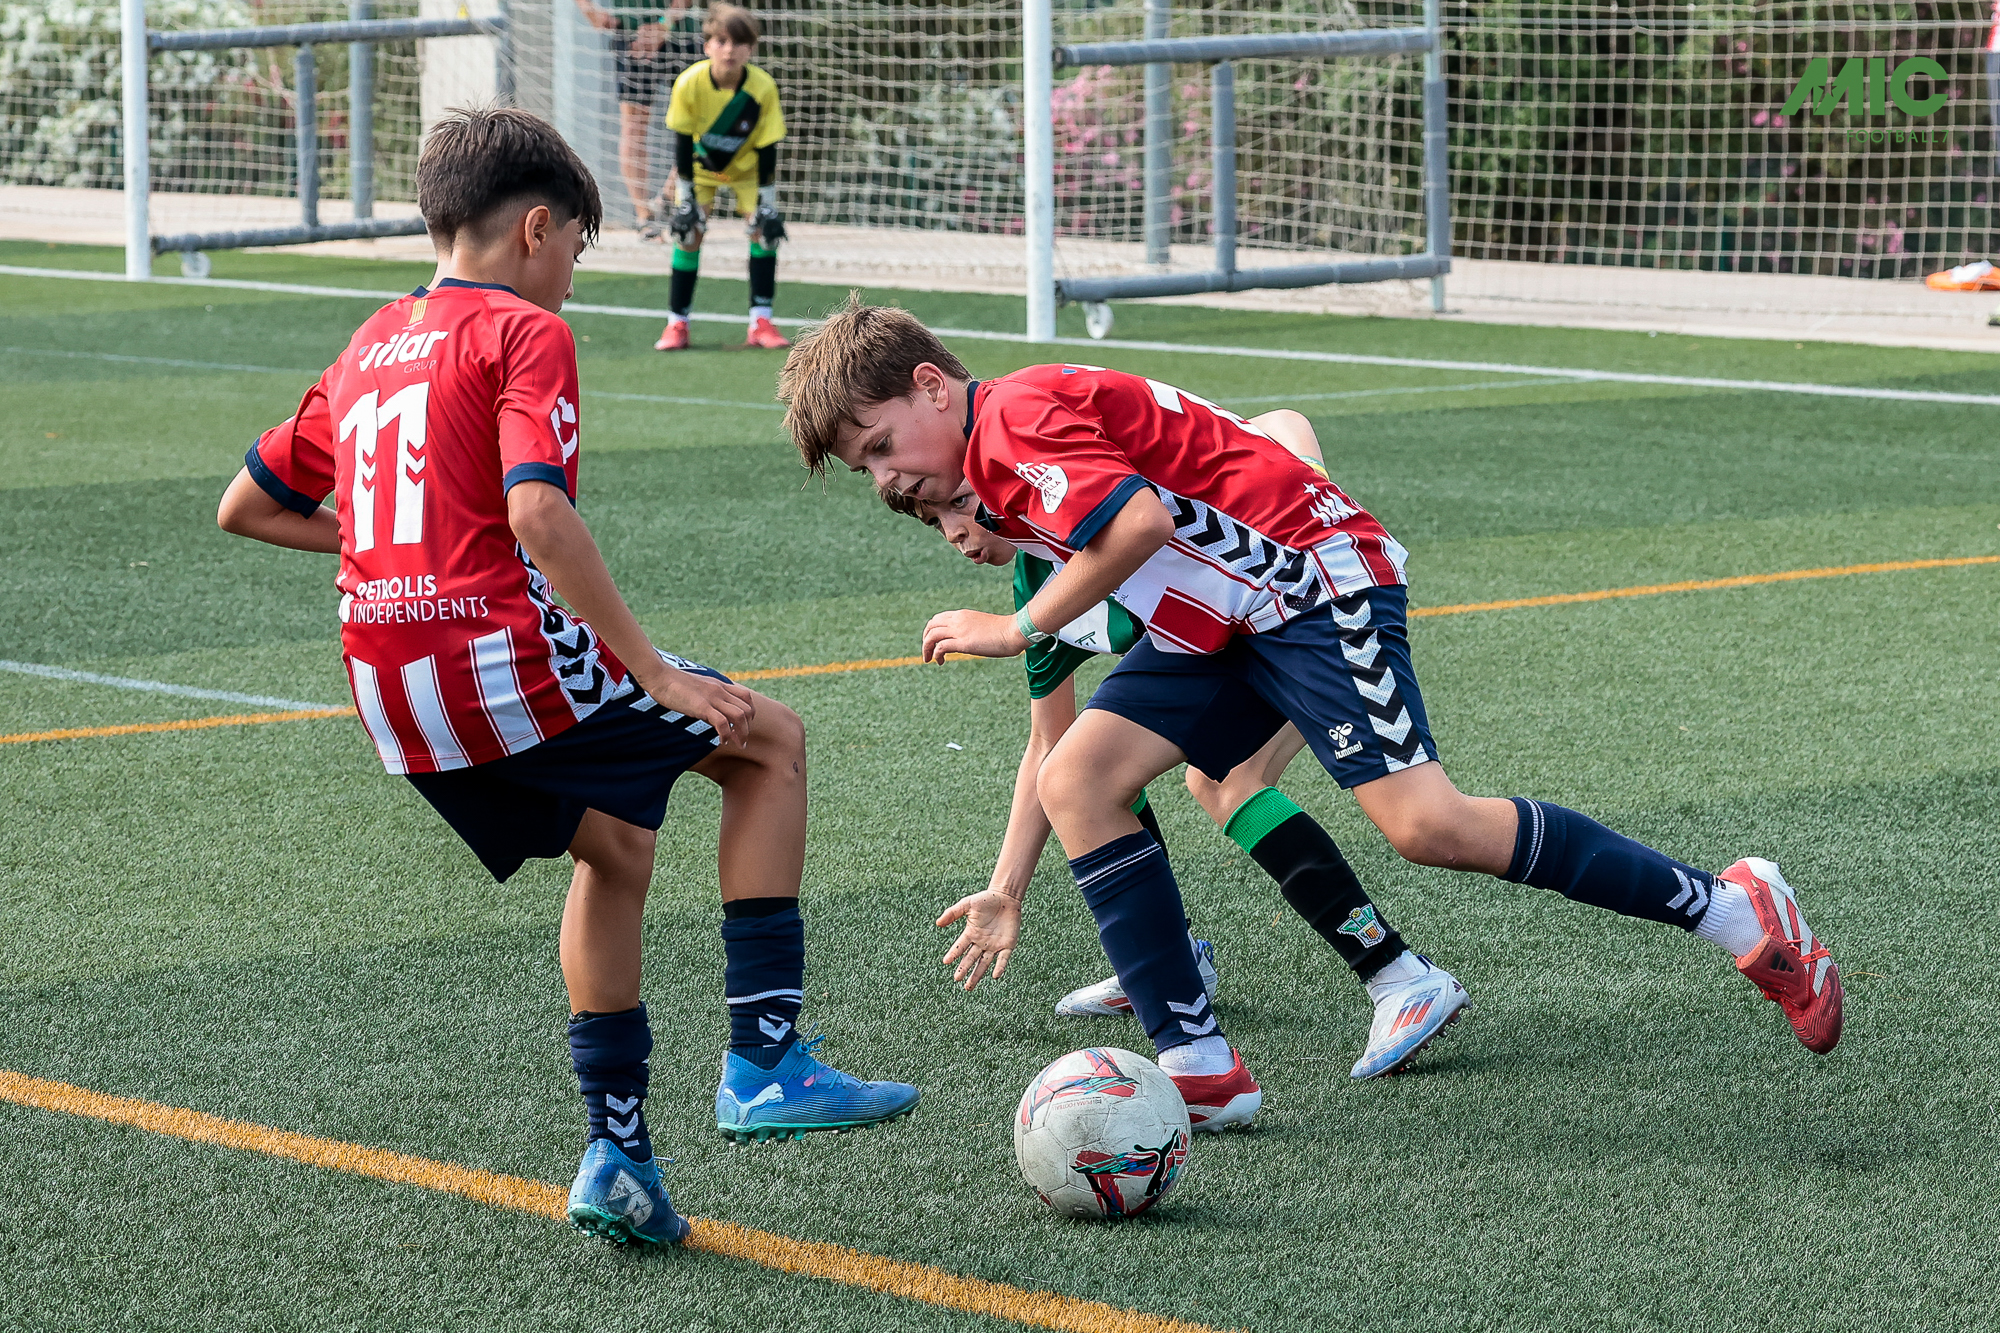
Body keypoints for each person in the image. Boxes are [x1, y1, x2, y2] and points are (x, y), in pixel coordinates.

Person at [778, 299, 1845, 1123]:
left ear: (931, 386)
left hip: (1314, 584)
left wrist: (1015, 628)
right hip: (1219, 622)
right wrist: (1008, 883)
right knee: (1078, 779)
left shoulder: (1012, 419)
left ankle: (1737, 910)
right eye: (867, 466)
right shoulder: (1000, 462)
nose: (884, 476)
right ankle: (1200, 1069)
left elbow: (1142, 524)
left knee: (1428, 826)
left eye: (879, 445)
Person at [214, 110, 918, 1250]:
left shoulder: (368, 344)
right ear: (535, 228)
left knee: (618, 845)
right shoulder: (522, 329)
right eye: (577, 250)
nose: (573, 281)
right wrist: (654, 672)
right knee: (766, 738)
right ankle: (767, 1064)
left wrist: (396, 546)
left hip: (389, 692)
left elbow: (245, 506)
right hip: (491, 661)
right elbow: (537, 510)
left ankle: (618, 1156)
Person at [882, 469, 1469, 1095]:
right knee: (1093, 769)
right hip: (1228, 659)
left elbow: (1282, 429)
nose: (954, 530)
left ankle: (1397, 972)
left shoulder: (1102, 507)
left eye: (960, 503)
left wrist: (1296, 503)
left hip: (1295, 626)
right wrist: (1006, 892)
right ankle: (1174, 956)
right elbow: (1048, 748)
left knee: (1226, 784)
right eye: (933, 520)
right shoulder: (1039, 582)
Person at [653, 4, 790, 351]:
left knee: (765, 234)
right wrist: (686, 200)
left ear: (751, 48)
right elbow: (683, 142)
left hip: (747, 172)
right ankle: (677, 323)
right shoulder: (689, 83)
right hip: (701, 171)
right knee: (688, 234)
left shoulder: (762, 88)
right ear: (707, 45)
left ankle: (761, 322)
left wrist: (767, 204)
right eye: (722, 41)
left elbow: (768, 147)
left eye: (739, 43)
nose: (730, 50)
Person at [573, 0, 700, 232]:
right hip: (632, 33)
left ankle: (668, 197)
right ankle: (644, 217)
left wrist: (664, 24)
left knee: (700, 120)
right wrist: (589, 10)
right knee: (634, 125)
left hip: (682, 33)